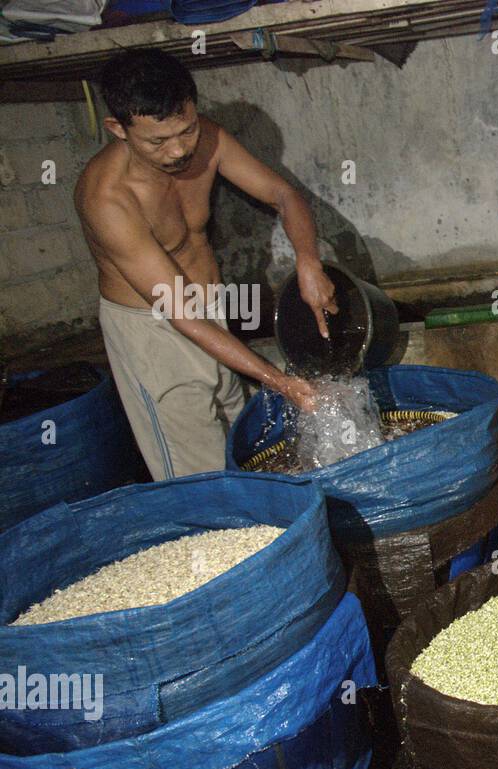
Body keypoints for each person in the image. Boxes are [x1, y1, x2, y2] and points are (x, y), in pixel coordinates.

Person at [75, 49, 336, 480]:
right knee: (199, 473)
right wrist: (283, 383)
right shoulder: (107, 198)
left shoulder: (209, 141)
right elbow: (181, 316)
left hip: (210, 309)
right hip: (157, 330)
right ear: (117, 129)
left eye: (187, 130)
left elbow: (283, 196)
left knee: (244, 441)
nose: (178, 150)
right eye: (157, 141)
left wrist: (309, 262)